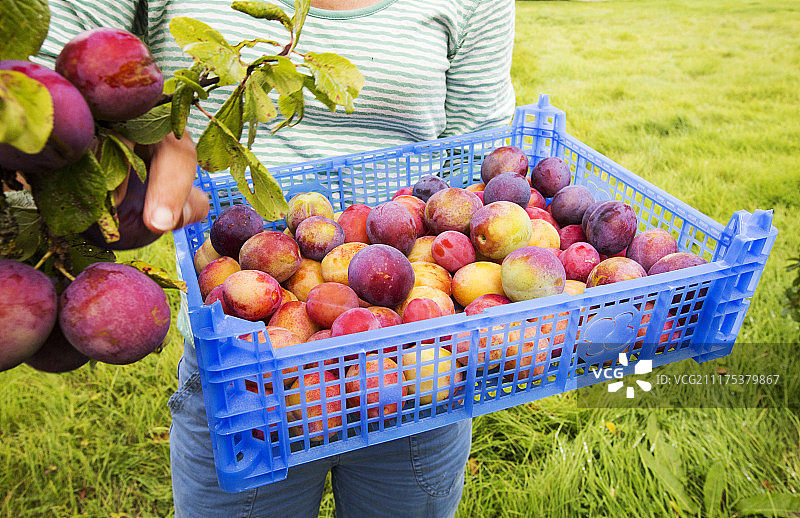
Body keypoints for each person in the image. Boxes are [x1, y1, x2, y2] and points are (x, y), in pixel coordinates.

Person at [38, 0, 516, 516]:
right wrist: (146, 134)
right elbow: (39, 91)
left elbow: (475, 156)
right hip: (242, 373)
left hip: (417, 361)